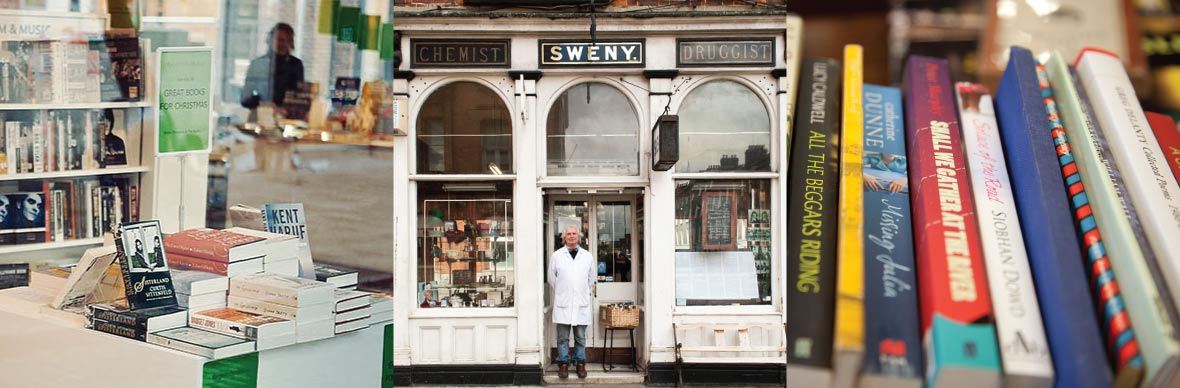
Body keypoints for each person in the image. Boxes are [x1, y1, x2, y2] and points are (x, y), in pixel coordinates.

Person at [547, 225, 596, 379]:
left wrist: (579, 291)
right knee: (562, 338)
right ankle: (563, 364)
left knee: (580, 337)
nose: (572, 236)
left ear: (579, 236)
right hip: (564, 303)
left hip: (581, 303)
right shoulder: (556, 256)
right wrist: (564, 291)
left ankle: (580, 363)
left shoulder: (587, 256)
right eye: (569, 234)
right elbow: (551, 278)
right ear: (564, 237)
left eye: (574, 233)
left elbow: (591, 279)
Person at [241, 22, 304, 111]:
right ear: (270, 40)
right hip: (262, 114)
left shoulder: (296, 65)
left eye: (287, 40)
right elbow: (245, 99)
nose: (283, 44)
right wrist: (260, 103)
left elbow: (298, 96)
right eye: (279, 40)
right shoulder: (258, 64)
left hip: (287, 117)